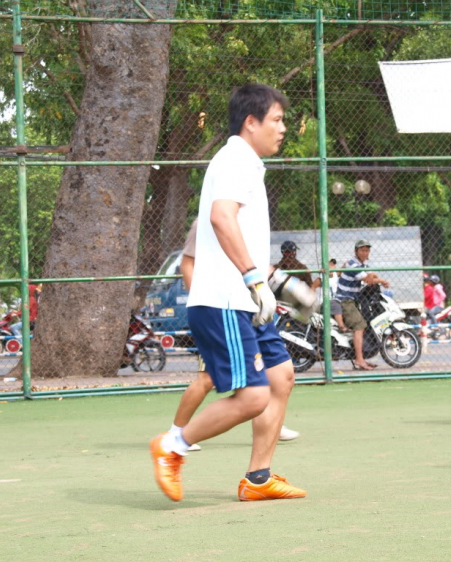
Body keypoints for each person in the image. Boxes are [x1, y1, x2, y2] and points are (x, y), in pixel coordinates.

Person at [150, 83, 314, 502]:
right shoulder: (235, 159)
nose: (283, 129)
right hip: (225, 300)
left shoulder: (247, 163)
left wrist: (273, 284)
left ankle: (258, 479)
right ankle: (172, 446)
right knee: (254, 396)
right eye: (276, 120)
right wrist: (252, 279)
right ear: (251, 122)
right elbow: (222, 219)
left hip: (245, 301)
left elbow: (238, 234)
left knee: (280, 378)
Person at [164, 219, 300, 450]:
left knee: (275, 377)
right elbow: (188, 264)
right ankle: (176, 433)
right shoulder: (209, 218)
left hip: (252, 311)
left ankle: (271, 423)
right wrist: (201, 301)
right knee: (206, 380)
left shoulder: (253, 215)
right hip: (220, 312)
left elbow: (257, 266)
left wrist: (289, 287)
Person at [334, 240, 391, 370]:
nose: (365, 253)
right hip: (345, 300)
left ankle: (360, 358)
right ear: (356, 251)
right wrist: (382, 280)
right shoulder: (353, 264)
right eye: (362, 250)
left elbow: (370, 275)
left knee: (364, 321)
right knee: (360, 326)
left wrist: (375, 276)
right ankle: (359, 360)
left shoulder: (362, 264)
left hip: (353, 299)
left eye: (367, 250)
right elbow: (367, 279)